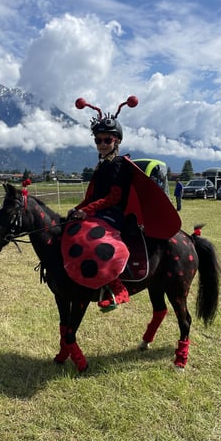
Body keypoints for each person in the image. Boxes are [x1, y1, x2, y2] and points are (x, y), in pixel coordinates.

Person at [69, 116, 134, 310]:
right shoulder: (102, 165)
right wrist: (78, 209)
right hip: (98, 211)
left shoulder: (119, 164)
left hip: (113, 214)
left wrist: (86, 211)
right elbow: (91, 196)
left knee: (93, 238)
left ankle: (118, 288)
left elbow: (113, 197)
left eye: (108, 140)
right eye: (99, 140)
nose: (103, 144)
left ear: (117, 141)